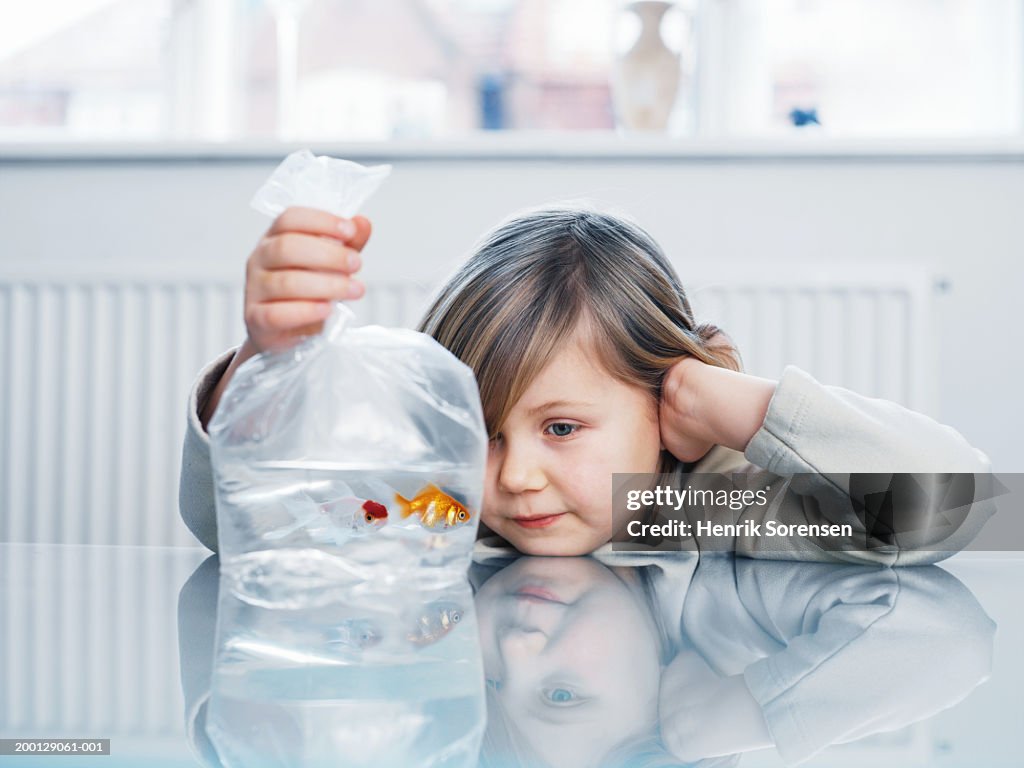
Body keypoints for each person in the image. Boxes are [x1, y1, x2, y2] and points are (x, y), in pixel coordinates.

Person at [179, 204, 994, 561]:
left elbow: (960, 506)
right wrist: (265, 365)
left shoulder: (695, 513)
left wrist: (730, 404)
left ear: (661, 412)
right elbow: (242, 527)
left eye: (561, 427)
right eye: (485, 433)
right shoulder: (446, 515)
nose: (517, 476)